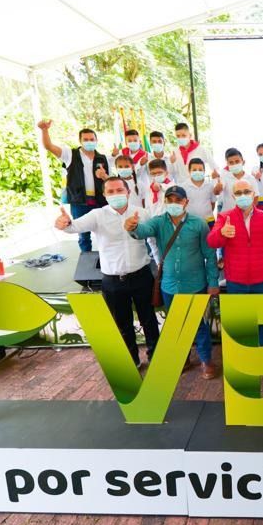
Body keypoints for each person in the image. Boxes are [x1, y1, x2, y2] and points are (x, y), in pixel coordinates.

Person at [55, 176, 159, 365]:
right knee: (123, 325)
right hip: (113, 281)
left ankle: (156, 358)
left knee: (149, 321)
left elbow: (152, 240)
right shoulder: (97, 215)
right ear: (104, 195)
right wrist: (63, 223)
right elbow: (73, 227)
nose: (116, 194)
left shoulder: (142, 213)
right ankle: (132, 361)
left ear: (128, 192)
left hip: (142, 276)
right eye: (110, 191)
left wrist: (160, 265)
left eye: (120, 190)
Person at [126, 186, 220, 379]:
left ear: (186, 202)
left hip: (195, 284)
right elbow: (144, 230)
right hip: (169, 286)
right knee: (176, 324)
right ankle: (183, 358)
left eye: (178, 200)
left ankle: (206, 360)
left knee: (197, 324)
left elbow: (210, 255)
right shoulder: (158, 222)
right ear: (165, 202)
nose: (174, 204)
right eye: (170, 200)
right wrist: (134, 227)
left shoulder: (199, 224)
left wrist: (213, 282)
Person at [207, 179, 263, 346]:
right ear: (234, 196)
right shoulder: (224, 217)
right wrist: (221, 232)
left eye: (246, 192)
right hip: (236, 282)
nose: (243, 196)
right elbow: (212, 242)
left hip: (262, 281)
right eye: (239, 193)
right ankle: (244, 358)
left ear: (253, 194)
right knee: (241, 323)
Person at [38, 119, 109, 252]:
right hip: (80, 201)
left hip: (100, 201)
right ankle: (86, 260)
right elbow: (49, 146)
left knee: (104, 231)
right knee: (83, 234)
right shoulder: (70, 154)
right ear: (80, 141)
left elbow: (111, 181)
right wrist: (44, 130)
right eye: (86, 139)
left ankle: (105, 258)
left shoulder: (103, 158)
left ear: (96, 140)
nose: (89, 142)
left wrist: (104, 176)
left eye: (92, 139)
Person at [216, 148, 258, 213]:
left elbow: (255, 197)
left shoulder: (251, 179)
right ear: (227, 164)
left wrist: (249, 212)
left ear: (243, 162)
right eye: (231, 162)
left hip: (246, 215)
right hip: (228, 214)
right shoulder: (224, 178)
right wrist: (218, 187)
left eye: (237, 161)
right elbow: (217, 192)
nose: (234, 164)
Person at [185, 157, 221, 226]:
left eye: (200, 170)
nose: (197, 172)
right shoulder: (184, 186)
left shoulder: (210, 185)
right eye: (194, 170)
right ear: (189, 171)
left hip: (208, 220)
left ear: (204, 171)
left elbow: (213, 203)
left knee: (209, 237)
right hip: (191, 221)